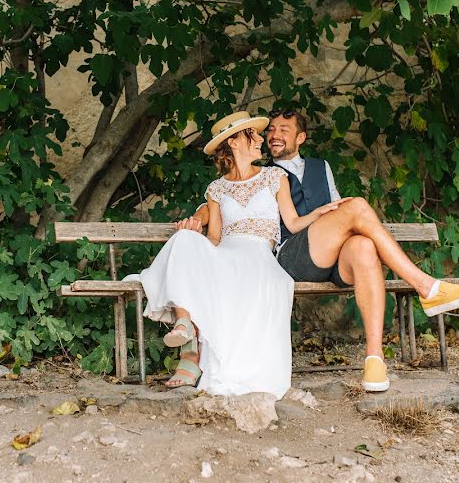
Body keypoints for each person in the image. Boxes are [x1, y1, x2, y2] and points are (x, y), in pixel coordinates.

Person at [182, 108, 459, 392]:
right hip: (292, 257)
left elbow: (336, 206)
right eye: (270, 129)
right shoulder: (261, 172)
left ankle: (374, 361)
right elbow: (222, 200)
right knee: (357, 207)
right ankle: (426, 286)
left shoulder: (320, 167)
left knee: (363, 245)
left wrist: (343, 227)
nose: (273, 135)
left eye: (283, 129)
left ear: (300, 138)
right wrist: (198, 217)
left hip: (329, 252)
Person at [123, 111, 351, 398]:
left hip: (258, 255)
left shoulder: (275, 176)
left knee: (249, 279)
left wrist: (320, 212)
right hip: (227, 252)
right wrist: (194, 232)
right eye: (252, 134)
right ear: (233, 142)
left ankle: (193, 347)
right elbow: (215, 238)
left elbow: (292, 223)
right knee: (184, 238)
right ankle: (184, 322)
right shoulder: (216, 189)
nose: (261, 138)